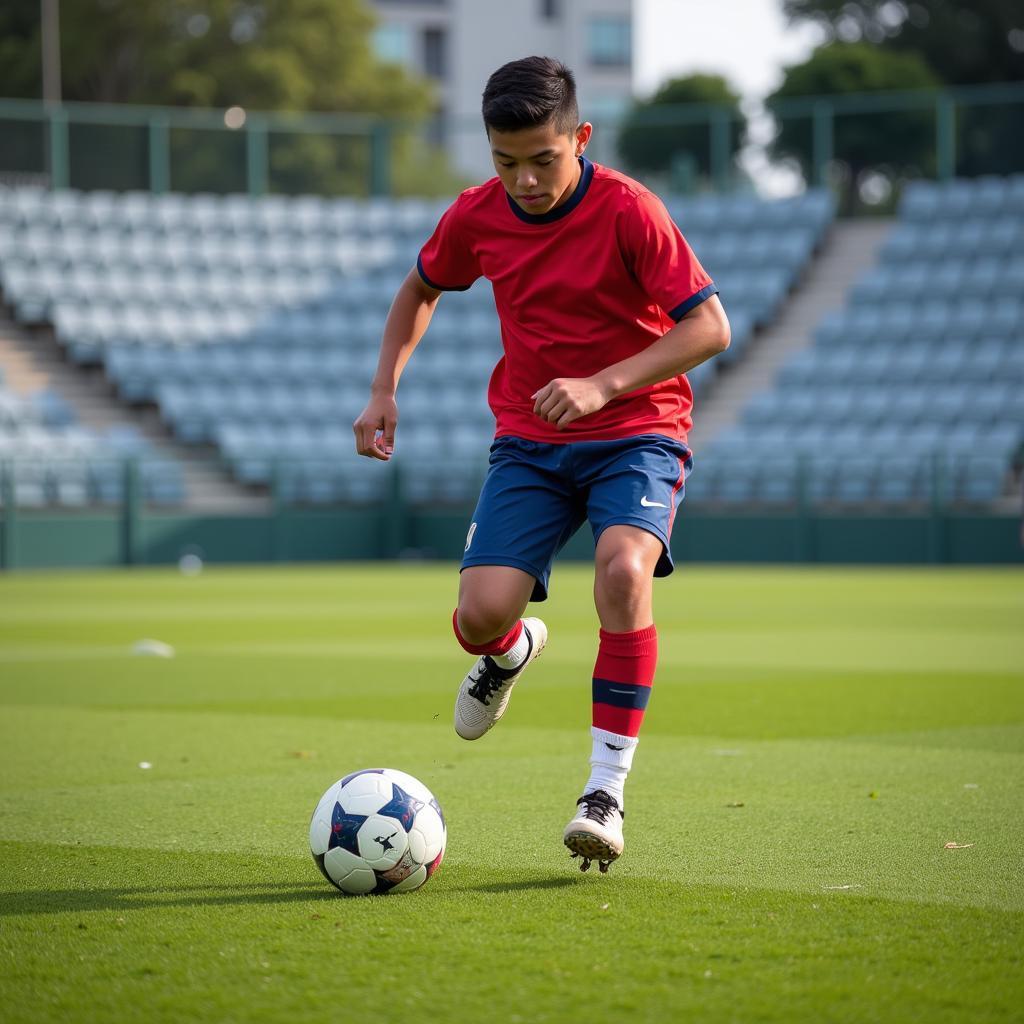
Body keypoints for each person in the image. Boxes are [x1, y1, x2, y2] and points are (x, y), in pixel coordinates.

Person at [354, 56, 730, 873]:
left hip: (637, 430)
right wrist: (384, 389)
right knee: (481, 616)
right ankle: (510, 650)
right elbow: (419, 291)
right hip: (529, 441)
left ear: (580, 138)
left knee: (623, 573)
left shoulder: (631, 209)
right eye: (505, 161)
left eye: (542, 160)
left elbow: (709, 328)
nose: (524, 179)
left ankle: (604, 790)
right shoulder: (477, 216)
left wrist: (605, 385)